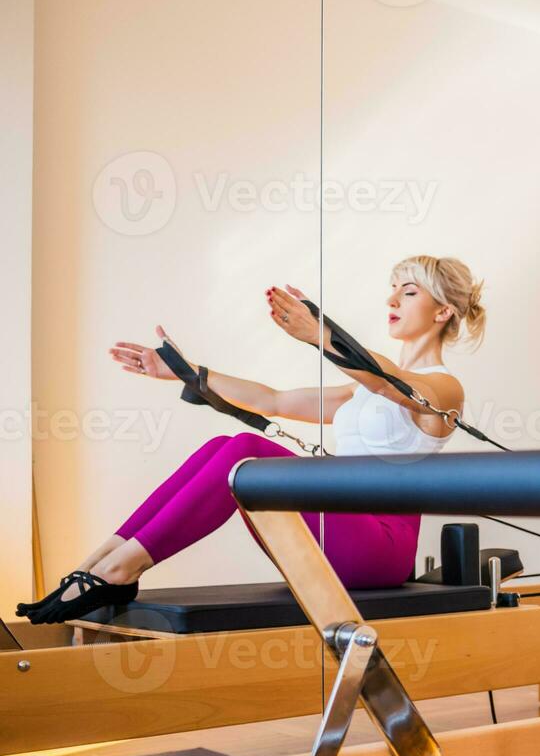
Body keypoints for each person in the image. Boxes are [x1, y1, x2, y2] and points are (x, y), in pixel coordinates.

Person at [18, 255, 486, 625]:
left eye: (409, 291)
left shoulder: (445, 388)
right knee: (224, 446)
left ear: (442, 311)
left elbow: (391, 382)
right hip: (346, 525)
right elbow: (276, 400)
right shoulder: (355, 392)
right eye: (392, 289)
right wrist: (189, 372)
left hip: (381, 547)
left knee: (245, 454)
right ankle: (104, 559)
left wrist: (321, 336)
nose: (393, 299)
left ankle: (119, 571)